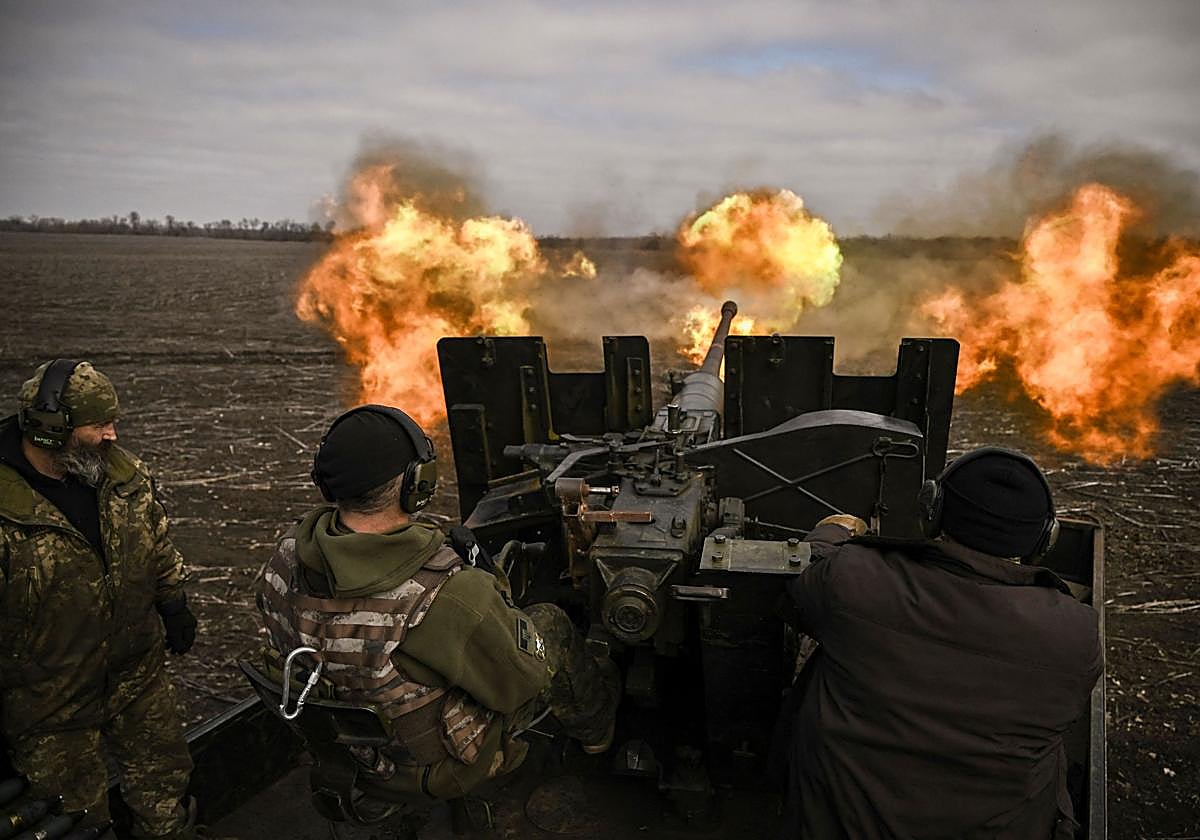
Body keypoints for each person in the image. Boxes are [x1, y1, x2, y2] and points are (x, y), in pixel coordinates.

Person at [257, 404, 618, 803]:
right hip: (426, 770)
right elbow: (522, 684)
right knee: (550, 623)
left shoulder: (285, 555)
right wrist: (489, 584)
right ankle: (597, 734)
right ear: (419, 485)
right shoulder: (449, 594)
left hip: (343, 752)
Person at [781, 446, 1102, 839]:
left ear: (932, 510)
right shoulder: (1075, 633)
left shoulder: (853, 581)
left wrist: (838, 527)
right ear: (1044, 539)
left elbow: (805, 572)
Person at [0, 359, 198, 838]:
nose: (112, 435)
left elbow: (156, 542)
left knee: (165, 785)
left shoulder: (122, 477)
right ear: (50, 430)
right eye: (99, 425)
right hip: (51, 701)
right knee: (77, 819)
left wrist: (173, 602)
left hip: (136, 675)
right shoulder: (7, 512)